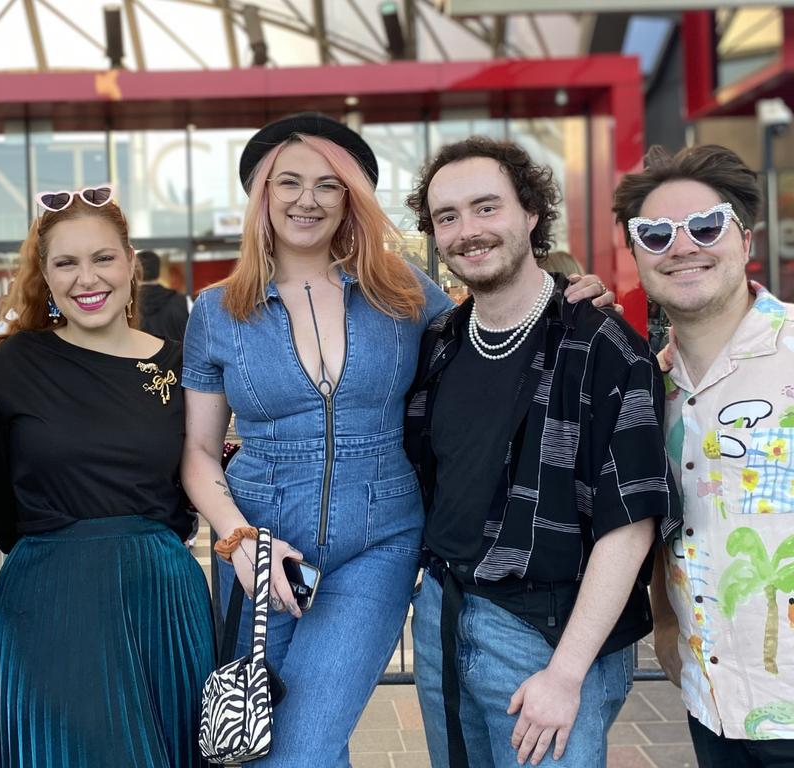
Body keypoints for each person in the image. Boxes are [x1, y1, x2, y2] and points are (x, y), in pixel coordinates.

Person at [180, 113, 612, 767]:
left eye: (329, 184)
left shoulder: (405, 290)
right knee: (256, 741)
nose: (307, 200)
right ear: (261, 196)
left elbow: (495, 332)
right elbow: (199, 452)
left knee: (302, 746)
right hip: (258, 543)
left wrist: (567, 304)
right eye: (288, 183)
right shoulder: (216, 312)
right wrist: (238, 538)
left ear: (352, 196)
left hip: (378, 540)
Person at [403, 136, 680, 768]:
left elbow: (631, 522)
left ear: (531, 213)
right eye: (447, 217)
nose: (467, 231)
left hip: (548, 637)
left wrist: (566, 673)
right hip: (443, 615)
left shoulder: (605, 345)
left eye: (486, 208)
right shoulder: (439, 344)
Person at [0, 185, 214, 768]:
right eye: (67, 262)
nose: (88, 278)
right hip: (49, 602)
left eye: (103, 257)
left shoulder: (179, 363)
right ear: (46, 276)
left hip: (162, 597)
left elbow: (204, 464)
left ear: (131, 264)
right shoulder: (13, 365)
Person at [614, 145, 794, 766]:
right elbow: (667, 521)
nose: (683, 246)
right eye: (657, 234)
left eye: (707, 226)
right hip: (710, 702)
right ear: (636, 255)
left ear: (745, 239)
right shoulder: (645, 388)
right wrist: (664, 621)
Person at [137, 249, 190, 341]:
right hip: (176, 355)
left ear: (136, 271)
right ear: (158, 271)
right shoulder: (181, 301)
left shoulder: (127, 305)